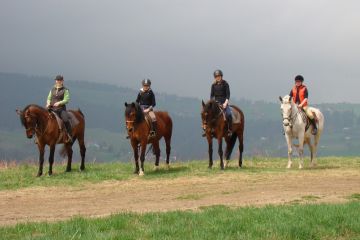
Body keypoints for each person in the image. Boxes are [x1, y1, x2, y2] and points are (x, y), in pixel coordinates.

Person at [46, 74, 72, 142]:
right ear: (55, 81)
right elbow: (49, 98)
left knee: (66, 120)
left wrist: (59, 103)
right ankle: (39, 136)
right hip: (51, 108)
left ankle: (69, 136)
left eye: (59, 80)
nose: (58, 81)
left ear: (62, 81)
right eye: (57, 80)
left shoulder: (65, 90)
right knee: (41, 117)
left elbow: (66, 100)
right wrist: (48, 103)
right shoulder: (52, 89)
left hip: (61, 109)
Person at [210, 69, 232, 136]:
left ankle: (229, 130)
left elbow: (228, 94)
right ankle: (210, 129)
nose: (218, 77)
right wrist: (213, 102)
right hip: (216, 103)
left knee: (229, 114)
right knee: (209, 115)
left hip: (224, 102)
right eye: (216, 76)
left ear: (221, 76)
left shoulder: (225, 84)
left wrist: (225, 103)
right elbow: (211, 95)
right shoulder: (213, 85)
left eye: (219, 76)